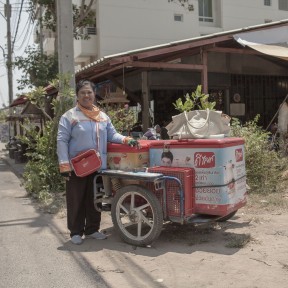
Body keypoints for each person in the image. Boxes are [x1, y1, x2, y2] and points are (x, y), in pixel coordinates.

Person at [57, 79, 137, 245]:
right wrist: (64, 164)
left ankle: (92, 229)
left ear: (94, 94)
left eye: (89, 92)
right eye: (82, 93)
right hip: (76, 167)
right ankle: (75, 232)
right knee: (76, 199)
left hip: (98, 167)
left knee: (95, 198)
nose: (86, 95)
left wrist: (126, 139)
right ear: (77, 96)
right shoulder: (70, 116)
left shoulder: (102, 116)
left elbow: (112, 135)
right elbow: (62, 140)